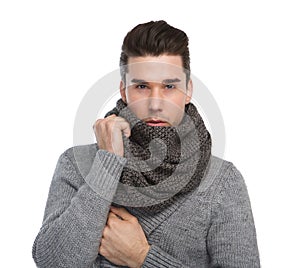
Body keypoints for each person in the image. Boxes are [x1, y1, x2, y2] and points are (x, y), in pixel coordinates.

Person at [32, 20, 260, 267]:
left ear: (188, 91)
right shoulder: (77, 165)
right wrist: (107, 162)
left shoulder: (222, 182)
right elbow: (51, 262)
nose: (155, 104)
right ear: (123, 91)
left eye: (169, 86)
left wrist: (142, 257)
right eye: (141, 86)